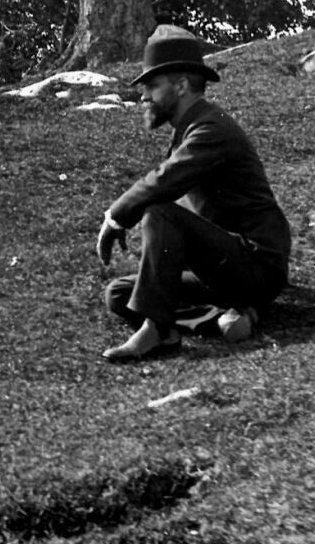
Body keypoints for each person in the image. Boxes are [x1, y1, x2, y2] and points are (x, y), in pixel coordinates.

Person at [95, 25, 292, 362]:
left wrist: (116, 217)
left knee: (159, 211)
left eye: (153, 86)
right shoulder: (192, 128)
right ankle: (222, 317)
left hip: (255, 265)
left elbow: (164, 181)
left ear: (182, 85)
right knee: (119, 295)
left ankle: (160, 330)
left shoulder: (211, 129)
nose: (144, 96)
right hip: (223, 267)